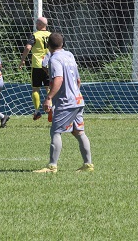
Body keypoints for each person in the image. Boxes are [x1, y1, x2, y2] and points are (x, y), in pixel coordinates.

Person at [33, 32, 94, 173]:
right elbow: (78, 80)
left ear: (48, 45)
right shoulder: (69, 55)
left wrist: (49, 98)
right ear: (63, 44)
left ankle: (52, 166)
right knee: (79, 132)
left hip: (66, 102)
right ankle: (88, 164)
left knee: (55, 132)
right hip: (78, 100)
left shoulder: (54, 59)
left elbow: (58, 79)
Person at [19, 17, 51, 120]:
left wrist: (22, 59)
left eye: (37, 22)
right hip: (49, 65)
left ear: (41, 24)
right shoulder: (51, 35)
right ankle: (52, 109)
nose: (36, 24)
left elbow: (28, 47)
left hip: (37, 65)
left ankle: (37, 112)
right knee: (49, 88)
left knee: (35, 89)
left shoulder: (35, 35)